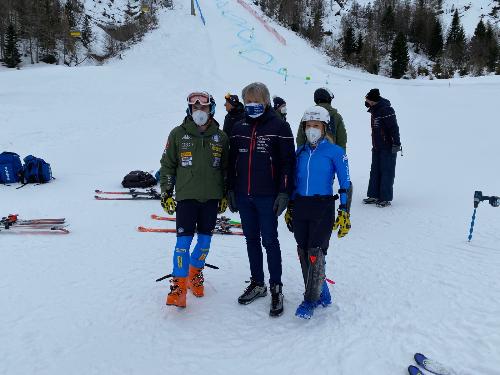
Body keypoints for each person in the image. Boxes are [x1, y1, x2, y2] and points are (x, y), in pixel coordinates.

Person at [227, 82, 295, 317]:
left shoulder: (280, 126)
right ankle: (258, 283)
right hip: (244, 196)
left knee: (270, 241)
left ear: (266, 102)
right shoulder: (238, 127)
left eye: (257, 101)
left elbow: (288, 163)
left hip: (268, 196)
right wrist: (231, 189)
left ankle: (276, 287)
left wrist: (285, 191)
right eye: (248, 101)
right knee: (251, 240)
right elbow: (230, 162)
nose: (252, 105)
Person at [159, 91, 229, 308]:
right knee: (182, 244)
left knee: (205, 243)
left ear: (212, 110)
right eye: (195, 108)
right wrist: (166, 192)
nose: (200, 112)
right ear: (189, 110)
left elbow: (226, 170)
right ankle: (179, 287)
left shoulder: (221, 137)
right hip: (186, 197)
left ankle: (194, 273)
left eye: (204, 108)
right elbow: (168, 165)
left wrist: (225, 193)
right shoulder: (178, 134)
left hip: (210, 198)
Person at [284, 105, 351, 319]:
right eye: (308, 125)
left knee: (316, 252)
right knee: (303, 251)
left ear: (324, 128)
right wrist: (290, 207)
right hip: (301, 205)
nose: (311, 129)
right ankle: (322, 291)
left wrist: (344, 210)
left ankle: (310, 300)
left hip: (322, 206)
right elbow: (295, 182)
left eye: (316, 125)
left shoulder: (335, 152)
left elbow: (345, 183)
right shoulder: (300, 152)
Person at [296, 87, 353, 212]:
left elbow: (300, 138)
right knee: (326, 183)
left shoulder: (308, 115)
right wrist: (339, 160)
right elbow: (342, 139)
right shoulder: (336, 116)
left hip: (308, 154)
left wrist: (301, 153)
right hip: (329, 157)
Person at [363, 88, 401, 208]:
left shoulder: (386, 109)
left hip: (388, 147)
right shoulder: (375, 110)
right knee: (375, 171)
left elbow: (393, 128)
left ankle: (385, 198)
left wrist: (396, 143)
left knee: (387, 172)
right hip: (377, 146)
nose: (366, 102)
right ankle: (374, 195)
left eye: (367, 100)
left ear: (373, 100)